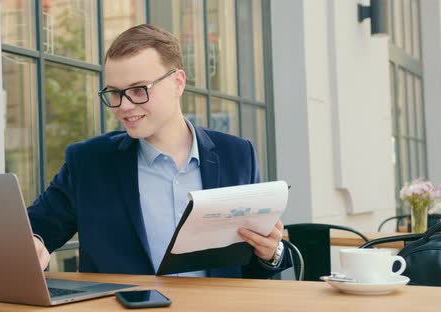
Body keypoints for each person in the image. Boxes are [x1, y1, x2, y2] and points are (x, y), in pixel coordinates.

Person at [28, 24, 291, 278]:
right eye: (115, 93)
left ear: (178, 82)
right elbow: (35, 229)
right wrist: (33, 242)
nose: (124, 106)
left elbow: (253, 264)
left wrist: (270, 253)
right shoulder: (88, 162)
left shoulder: (237, 154)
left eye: (138, 90)